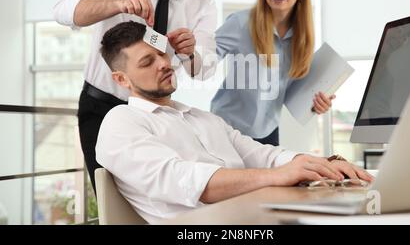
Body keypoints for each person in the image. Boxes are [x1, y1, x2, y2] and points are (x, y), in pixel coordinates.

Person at [96, 21, 373, 224]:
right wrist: (279, 176)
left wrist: (320, 165)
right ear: (121, 79)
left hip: (255, 218)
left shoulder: (203, 118)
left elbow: (261, 154)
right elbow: (183, 179)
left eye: (162, 54)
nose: (164, 64)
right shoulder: (121, 122)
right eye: (147, 62)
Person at [53, 0, 217, 191]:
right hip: (102, 110)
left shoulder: (202, 4)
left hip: (159, 114)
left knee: (159, 198)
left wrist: (190, 54)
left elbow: (205, 69)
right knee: (112, 201)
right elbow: (62, 10)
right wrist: (117, 4)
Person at [211, 0, 335, 146]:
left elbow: (294, 94)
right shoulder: (241, 23)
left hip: (268, 133)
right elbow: (203, 60)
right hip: (227, 130)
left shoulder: (301, 38)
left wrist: (317, 103)